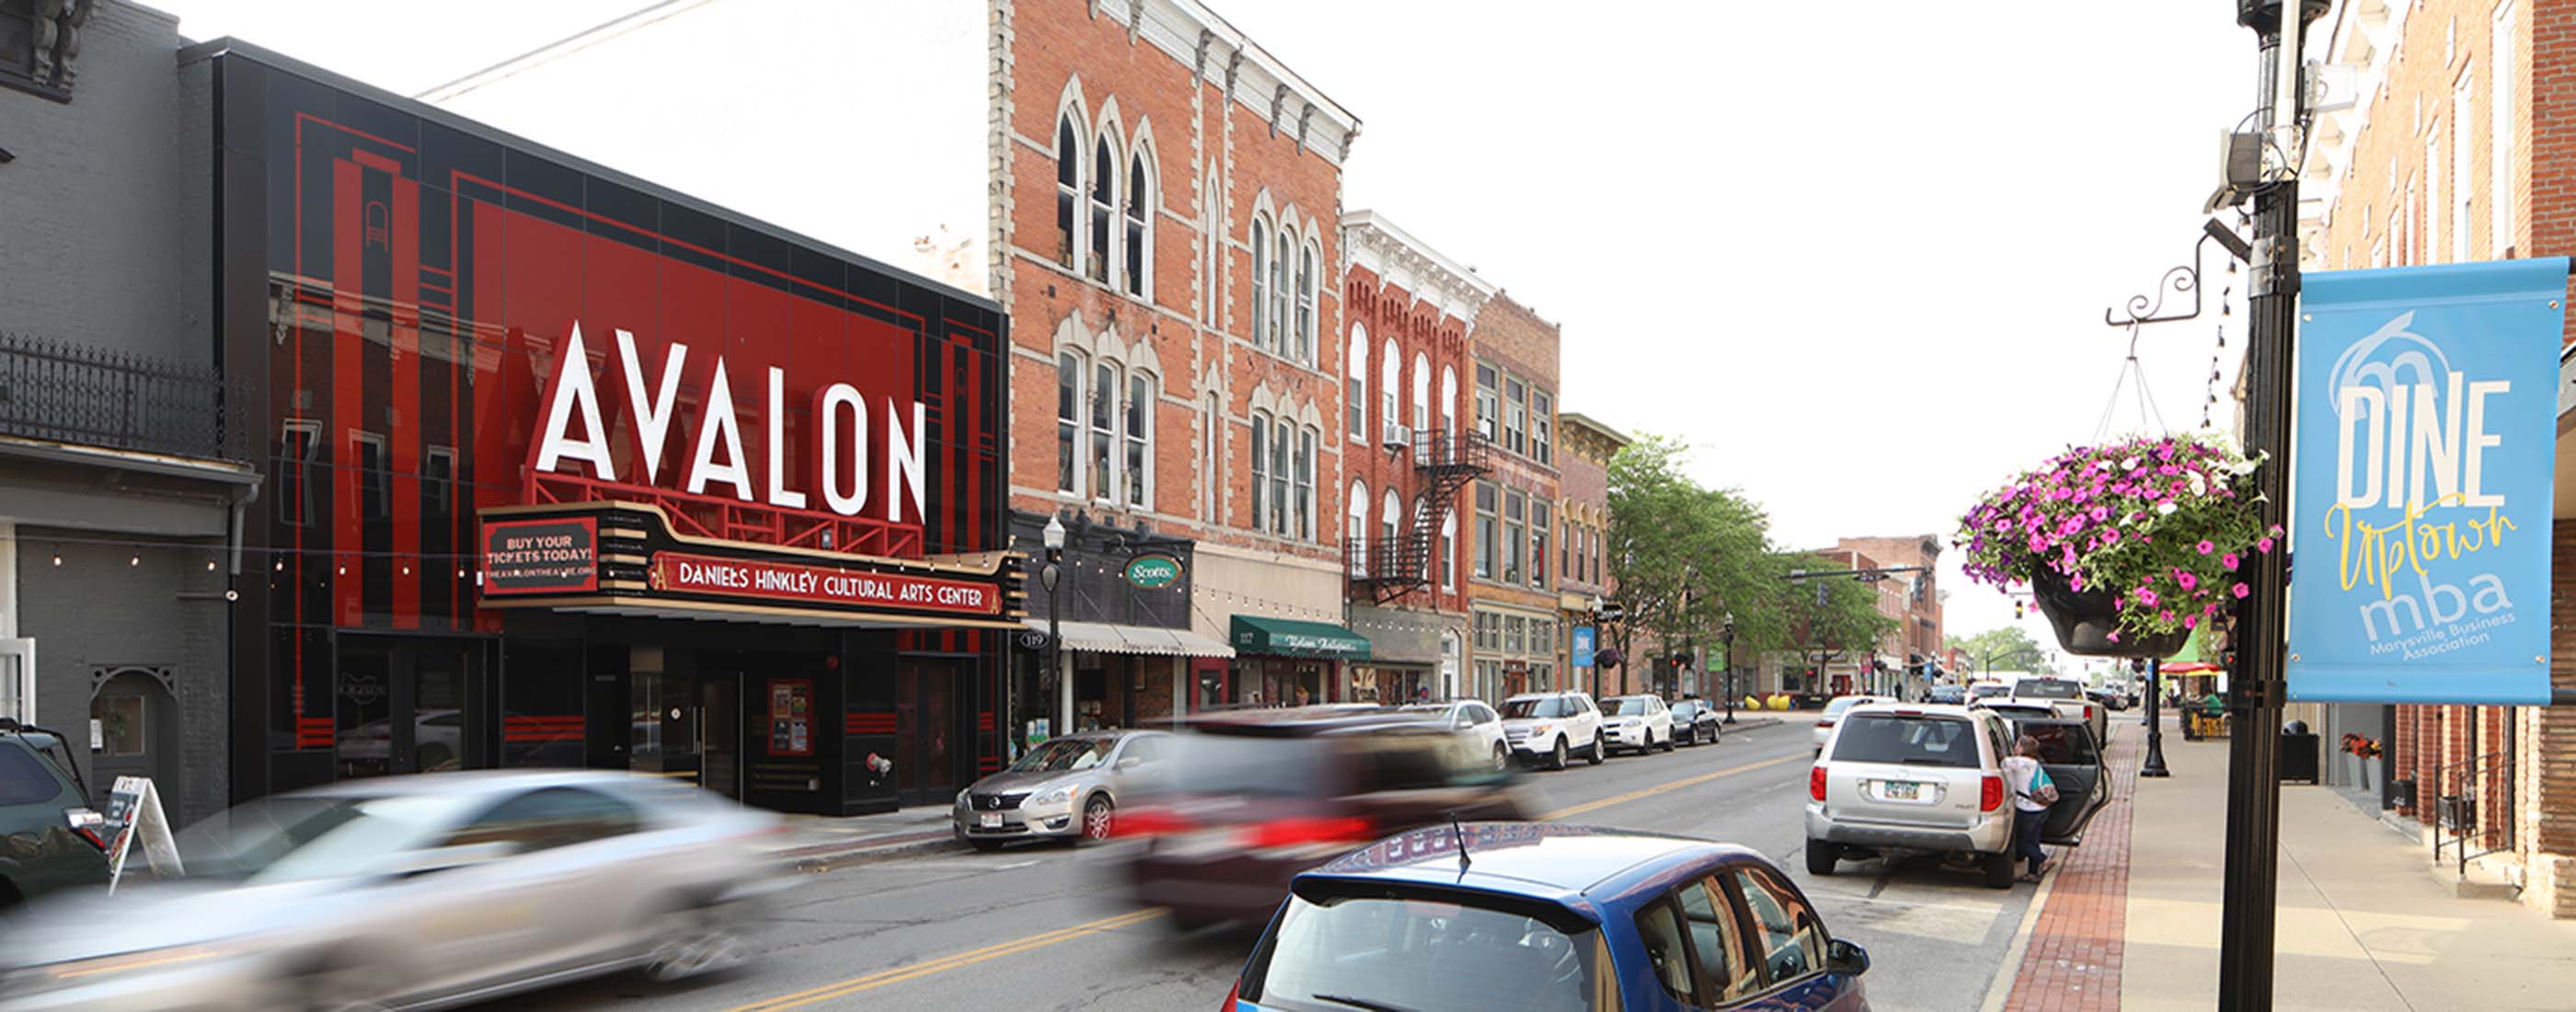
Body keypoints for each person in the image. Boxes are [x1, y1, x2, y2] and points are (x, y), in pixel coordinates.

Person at [1999, 735, 2054, 882]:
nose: (2015, 748)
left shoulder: (2017, 762)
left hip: (2027, 809)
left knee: (2018, 841)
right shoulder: (2034, 763)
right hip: (2041, 808)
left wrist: (2001, 753)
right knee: (2033, 841)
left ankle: (2044, 859)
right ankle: (2032, 873)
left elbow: (2002, 763)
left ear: (2022, 748)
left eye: (2017, 745)